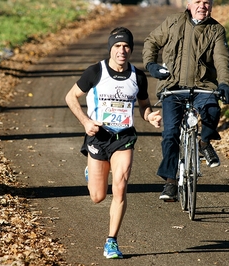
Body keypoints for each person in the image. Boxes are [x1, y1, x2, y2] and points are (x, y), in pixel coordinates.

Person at [65, 27, 162, 259]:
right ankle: (92, 169)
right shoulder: (95, 72)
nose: (122, 50)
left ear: (131, 49)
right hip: (99, 137)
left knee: (120, 185)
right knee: (97, 196)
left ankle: (112, 241)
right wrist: (86, 121)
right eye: (118, 46)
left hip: (123, 137)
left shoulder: (137, 77)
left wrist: (150, 116)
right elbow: (71, 97)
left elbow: (144, 105)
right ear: (111, 48)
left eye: (127, 46)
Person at [142, 0, 229, 201]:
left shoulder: (216, 30)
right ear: (188, 4)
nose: (203, 6)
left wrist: (225, 84)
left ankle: (203, 143)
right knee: (170, 133)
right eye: (198, 2)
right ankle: (170, 183)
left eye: (207, 2)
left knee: (212, 109)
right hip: (172, 87)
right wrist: (151, 65)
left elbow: (222, 59)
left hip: (203, 86)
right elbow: (151, 41)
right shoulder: (173, 22)